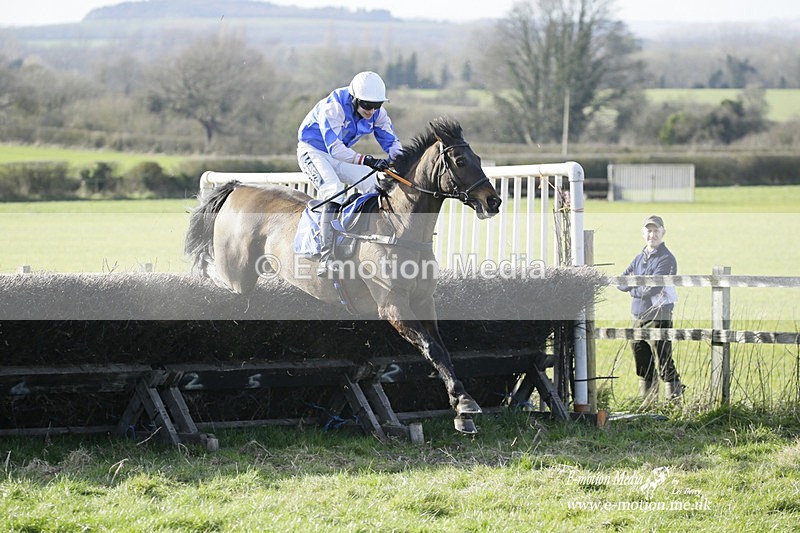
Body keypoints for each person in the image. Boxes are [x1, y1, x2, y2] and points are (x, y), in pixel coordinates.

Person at [296, 71, 403, 276]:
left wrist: (402, 162)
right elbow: (335, 148)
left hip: (339, 154)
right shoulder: (334, 107)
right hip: (314, 151)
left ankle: (365, 242)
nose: (371, 111)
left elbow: (392, 144)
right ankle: (326, 258)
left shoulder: (377, 113)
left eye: (377, 105)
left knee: (375, 186)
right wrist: (367, 160)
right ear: (354, 99)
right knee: (334, 191)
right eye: (366, 105)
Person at [618, 215, 684, 404]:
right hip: (638, 315)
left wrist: (634, 286)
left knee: (663, 359)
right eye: (649, 230)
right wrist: (637, 287)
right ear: (643, 233)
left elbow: (653, 288)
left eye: (656, 230)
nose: (652, 234)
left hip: (659, 315)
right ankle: (649, 402)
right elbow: (621, 282)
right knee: (641, 357)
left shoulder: (667, 259)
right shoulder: (639, 257)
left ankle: (673, 402)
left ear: (663, 233)